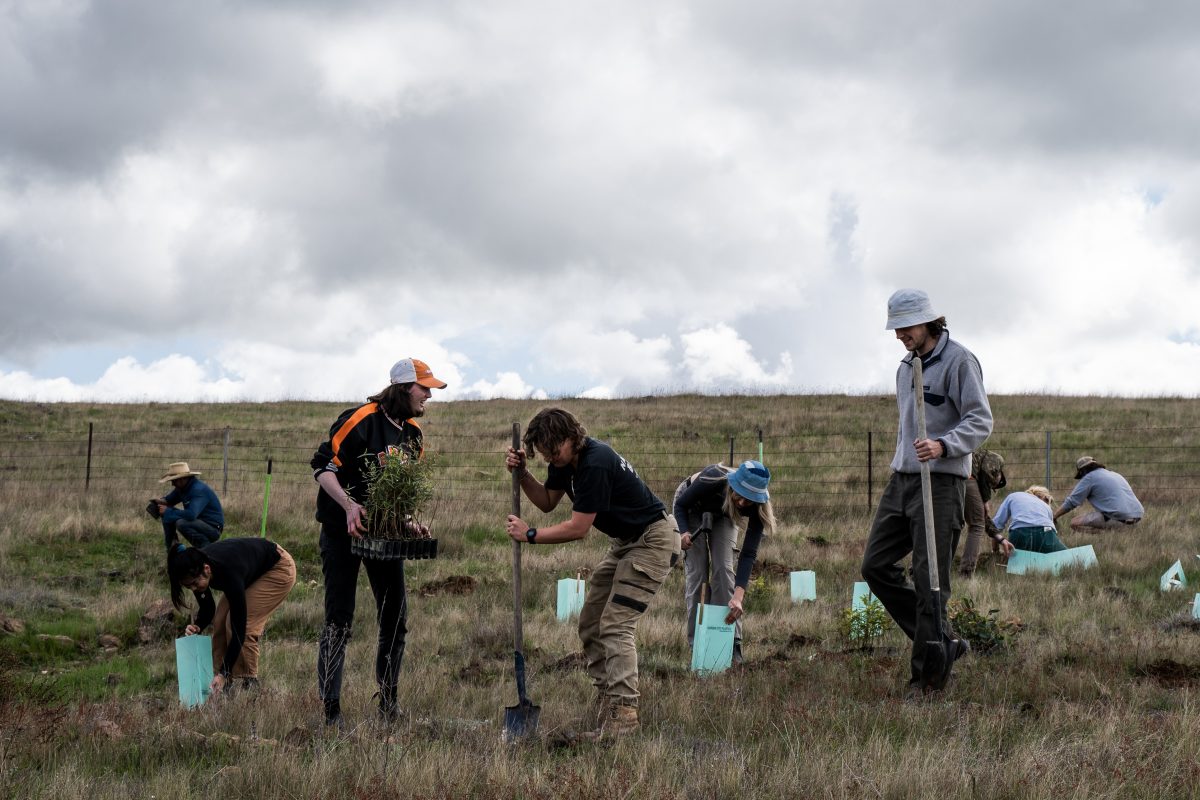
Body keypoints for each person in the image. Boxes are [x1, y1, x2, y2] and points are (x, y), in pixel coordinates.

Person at [504, 408, 680, 740]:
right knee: (591, 623)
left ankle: (623, 714)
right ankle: (608, 700)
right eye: (544, 455)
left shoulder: (595, 462)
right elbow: (546, 501)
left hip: (653, 541)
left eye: (553, 452)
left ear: (572, 438)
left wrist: (530, 535)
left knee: (616, 624)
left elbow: (579, 528)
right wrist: (525, 474)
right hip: (627, 542)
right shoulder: (564, 463)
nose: (550, 459)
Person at [861, 288, 993, 698]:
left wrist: (943, 445)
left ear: (928, 321)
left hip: (940, 482)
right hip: (902, 481)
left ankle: (927, 681)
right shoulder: (905, 367)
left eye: (906, 327)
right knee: (875, 566)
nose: (899, 335)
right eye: (896, 329)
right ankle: (942, 643)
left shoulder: (959, 361)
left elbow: (980, 420)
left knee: (929, 579)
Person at [311, 357, 447, 728]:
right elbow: (323, 467)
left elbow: (395, 493)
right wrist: (349, 506)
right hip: (341, 532)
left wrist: (406, 522)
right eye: (424, 389)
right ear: (404, 387)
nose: (428, 397)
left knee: (395, 617)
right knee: (339, 619)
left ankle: (389, 703)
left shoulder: (413, 436)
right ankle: (331, 709)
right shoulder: (360, 420)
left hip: (383, 538)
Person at [673, 460, 776, 665]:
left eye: (749, 501)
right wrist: (684, 532)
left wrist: (738, 596)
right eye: (741, 495)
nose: (742, 504)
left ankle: (731, 643)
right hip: (691, 508)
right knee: (698, 574)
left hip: (725, 513)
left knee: (723, 569)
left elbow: (748, 554)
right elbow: (681, 505)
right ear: (734, 484)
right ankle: (698, 646)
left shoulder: (756, 509)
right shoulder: (712, 478)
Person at [168, 537, 296, 696]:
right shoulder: (197, 567)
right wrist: (198, 625)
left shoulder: (228, 572)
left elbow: (239, 629)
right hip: (251, 570)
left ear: (206, 569)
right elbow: (208, 609)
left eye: (194, 584)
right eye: (188, 586)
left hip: (278, 569)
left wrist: (225, 671)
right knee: (220, 621)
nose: (194, 588)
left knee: (241, 625)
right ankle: (221, 685)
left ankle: (249, 685)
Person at [1054, 456, 1144, 531]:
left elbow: (1071, 502)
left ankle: (1105, 535)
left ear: (1081, 471)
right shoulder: (1115, 474)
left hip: (1118, 519)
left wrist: (1054, 517)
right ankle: (1119, 532)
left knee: (1074, 523)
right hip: (1137, 518)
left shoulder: (1089, 478)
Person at [150, 461, 224, 550]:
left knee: (181, 522)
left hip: (213, 529)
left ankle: (205, 549)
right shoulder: (182, 488)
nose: (172, 484)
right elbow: (169, 500)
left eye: (173, 480)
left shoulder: (198, 490)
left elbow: (191, 515)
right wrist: (160, 502)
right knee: (167, 513)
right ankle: (173, 548)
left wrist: (168, 511)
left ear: (182, 479)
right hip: (199, 523)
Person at [958, 448, 1007, 576]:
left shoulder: (978, 472)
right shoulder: (997, 459)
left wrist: (1000, 538)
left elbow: (981, 517)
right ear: (999, 474)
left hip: (950, 474)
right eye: (993, 485)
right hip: (966, 475)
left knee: (950, 524)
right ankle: (966, 573)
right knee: (976, 526)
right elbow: (987, 471)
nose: (992, 486)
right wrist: (985, 500)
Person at [992, 486, 1063, 553]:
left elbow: (996, 526)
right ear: (1043, 497)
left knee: (1018, 562)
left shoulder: (1014, 496)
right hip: (1046, 533)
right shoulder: (1047, 507)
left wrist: (995, 551)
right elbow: (1051, 531)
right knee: (1069, 557)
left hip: (1019, 534)